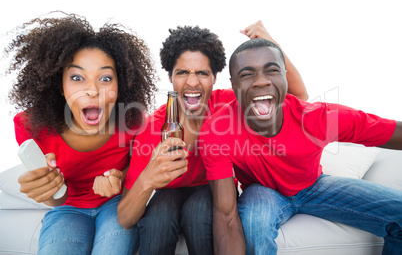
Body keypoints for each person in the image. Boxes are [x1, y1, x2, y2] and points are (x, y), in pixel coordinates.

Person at [117, 21, 308, 254]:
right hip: (168, 197)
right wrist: (148, 179)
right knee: (161, 211)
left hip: (213, 192)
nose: (192, 82)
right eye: (182, 72)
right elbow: (125, 218)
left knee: (199, 210)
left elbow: (297, 98)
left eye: (202, 73)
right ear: (170, 77)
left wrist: (271, 45)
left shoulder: (227, 104)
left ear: (215, 77)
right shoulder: (153, 129)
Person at [199, 38, 402, 254]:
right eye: (247, 74)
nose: (260, 81)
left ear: (285, 76)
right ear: (233, 84)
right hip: (262, 191)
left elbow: (388, 131)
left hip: (313, 186)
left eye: (272, 70)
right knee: (254, 225)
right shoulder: (217, 130)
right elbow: (226, 216)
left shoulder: (318, 118)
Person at [7, 13, 157, 254]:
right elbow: (55, 199)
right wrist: (48, 190)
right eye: (77, 77)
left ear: (121, 85)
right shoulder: (30, 124)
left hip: (116, 204)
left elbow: (137, 169)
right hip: (67, 208)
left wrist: (120, 178)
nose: (92, 90)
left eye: (105, 78)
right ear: (60, 84)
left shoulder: (133, 121)